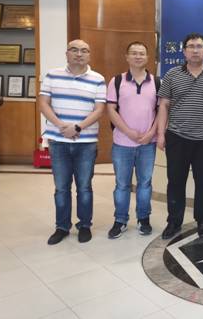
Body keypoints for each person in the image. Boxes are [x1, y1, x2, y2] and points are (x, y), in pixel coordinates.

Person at [39, 39, 106, 245]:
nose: (79, 54)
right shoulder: (52, 75)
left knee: (84, 187)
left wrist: (77, 128)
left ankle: (84, 225)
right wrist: (62, 126)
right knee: (61, 187)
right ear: (67, 53)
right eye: (74, 50)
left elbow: (99, 110)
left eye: (84, 50)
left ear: (89, 55)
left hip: (86, 142)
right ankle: (62, 227)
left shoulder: (98, 79)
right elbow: (43, 103)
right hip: (58, 141)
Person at [157, 33, 203, 240]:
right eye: (191, 46)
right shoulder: (172, 74)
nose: (195, 50)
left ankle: (202, 220)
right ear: (184, 51)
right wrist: (161, 134)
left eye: (199, 46)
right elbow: (164, 105)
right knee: (175, 181)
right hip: (177, 137)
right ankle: (174, 222)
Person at [106, 41, 160, 239]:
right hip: (122, 143)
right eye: (134, 53)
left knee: (145, 183)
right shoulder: (116, 81)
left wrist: (151, 133)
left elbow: (161, 111)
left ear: (147, 58)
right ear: (127, 57)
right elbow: (111, 110)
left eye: (142, 53)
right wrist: (128, 131)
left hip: (147, 144)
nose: (138, 56)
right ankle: (120, 220)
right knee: (122, 184)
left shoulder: (157, 82)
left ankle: (143, 219)